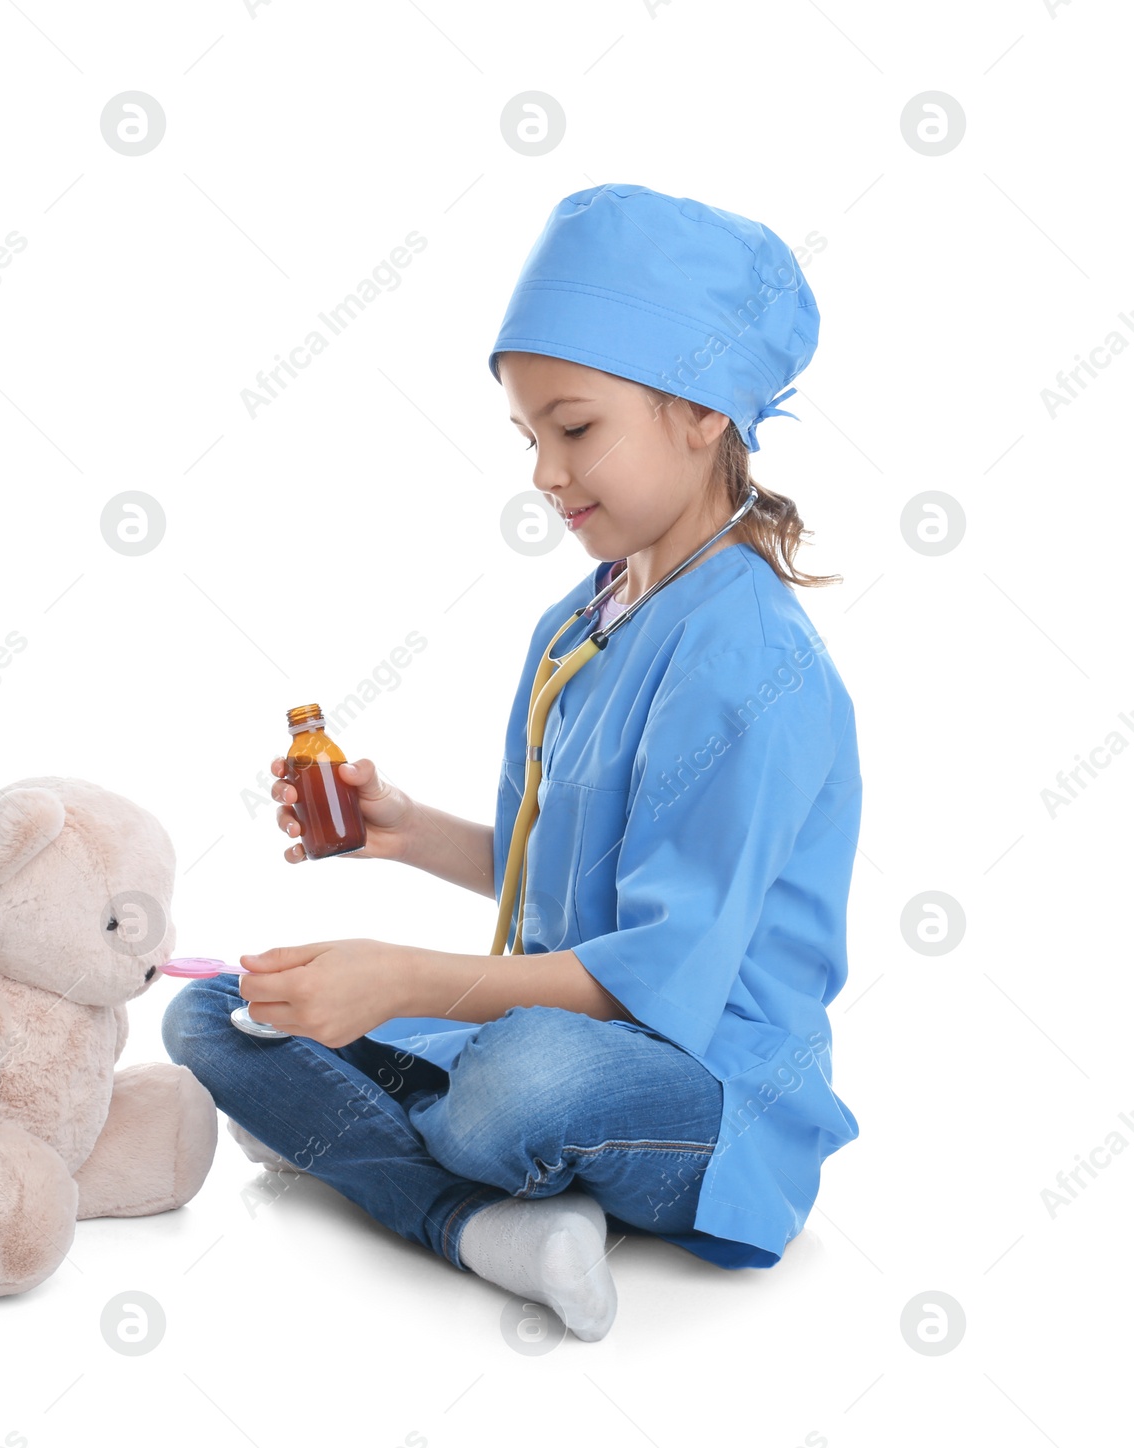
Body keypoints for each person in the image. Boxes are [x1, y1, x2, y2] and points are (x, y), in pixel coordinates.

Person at [162, 182, 861, 1342]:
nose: (543, 473)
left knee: (521, 1088)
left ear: (701, 412)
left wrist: (399, 981)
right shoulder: (580, 622)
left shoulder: (748, 662)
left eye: (574, 428)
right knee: (218, 1014)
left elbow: (650, 970)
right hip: (542, 1024)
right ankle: (489, 1224)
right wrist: (403, 828)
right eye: (528, 436)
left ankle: (367, 1137)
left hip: (696, 1084)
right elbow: (566, 884)